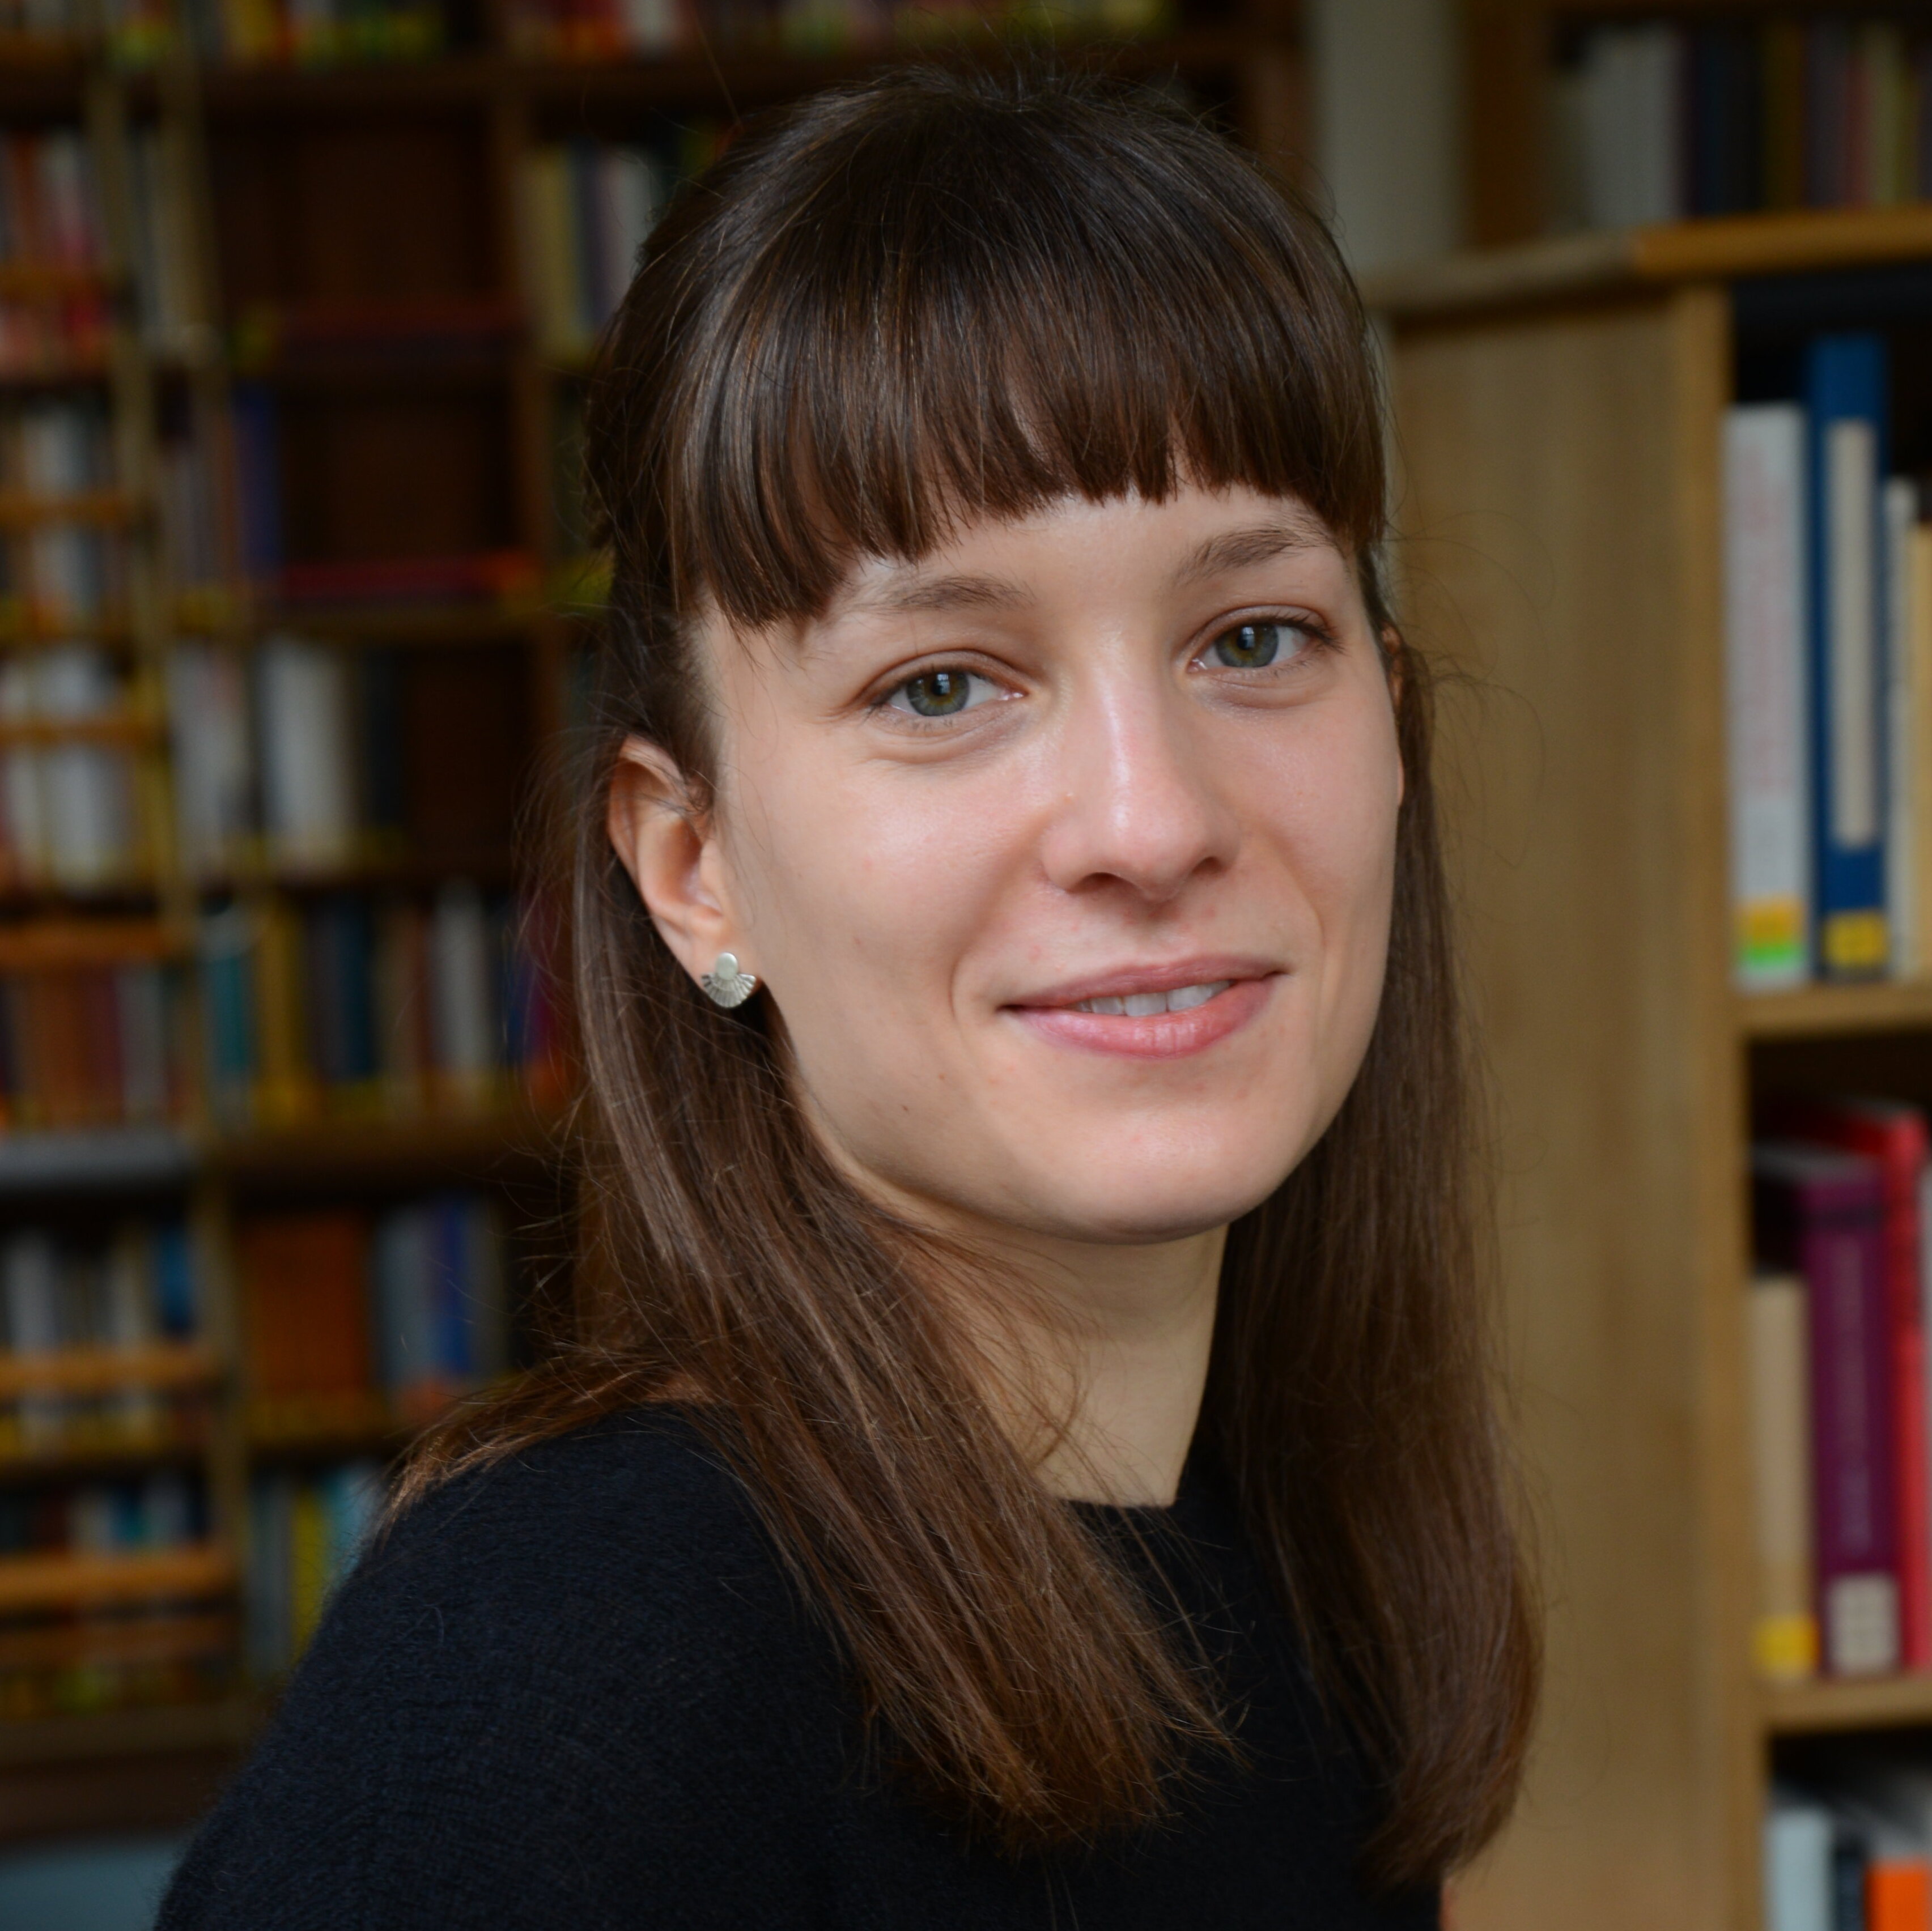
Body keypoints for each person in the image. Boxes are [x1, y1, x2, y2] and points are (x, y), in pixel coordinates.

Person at [160, 66, 1537, 1929]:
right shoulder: (558, 1668)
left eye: (1252, 637)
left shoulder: (1304, 1585)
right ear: (693, 868)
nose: (1150, 821)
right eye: (940, 686)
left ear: (1393, 731)